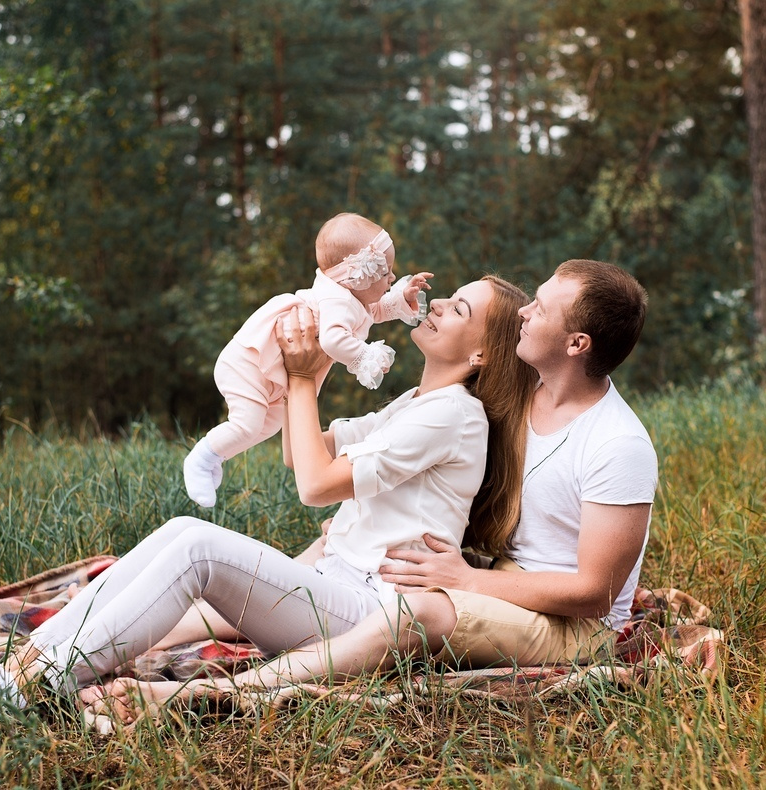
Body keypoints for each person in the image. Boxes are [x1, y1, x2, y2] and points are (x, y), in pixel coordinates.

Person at [0, 276, 534, 721]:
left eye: (459, 309)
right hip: (335, 584)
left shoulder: (455, 416)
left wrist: (298, 377)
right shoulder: (417, 405)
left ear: (480, 352)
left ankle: (27, 684)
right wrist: (305, 375)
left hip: (368, 609)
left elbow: (314, 486)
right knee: (182, 531)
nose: (439, 303)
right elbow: (301, 449)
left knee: (199, 547)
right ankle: (19, 673)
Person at [81, 259, 656, 725]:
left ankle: (207, 696)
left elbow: (594, 593)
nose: (526, 312)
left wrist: (463, 578)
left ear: (577, 343)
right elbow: (460, 483)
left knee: (417, 610)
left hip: (575, 628)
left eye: (542, 308)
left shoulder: (617, 444)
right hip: (501, 576)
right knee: (319, 558)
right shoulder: (510, 401)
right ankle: (98, 634)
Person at [184, 212, 434, 507]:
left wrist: (402, 297)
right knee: (248, 425)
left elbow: (374, 310)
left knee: (270, 424)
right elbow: (332, 340)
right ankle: (202, 457)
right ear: (354, 276)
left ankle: (217, 455)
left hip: (270, 375)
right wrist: (365, 355)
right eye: (385, 273)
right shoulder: (336, 302)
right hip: (248, 366)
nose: (391, 278)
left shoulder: (350, 298)